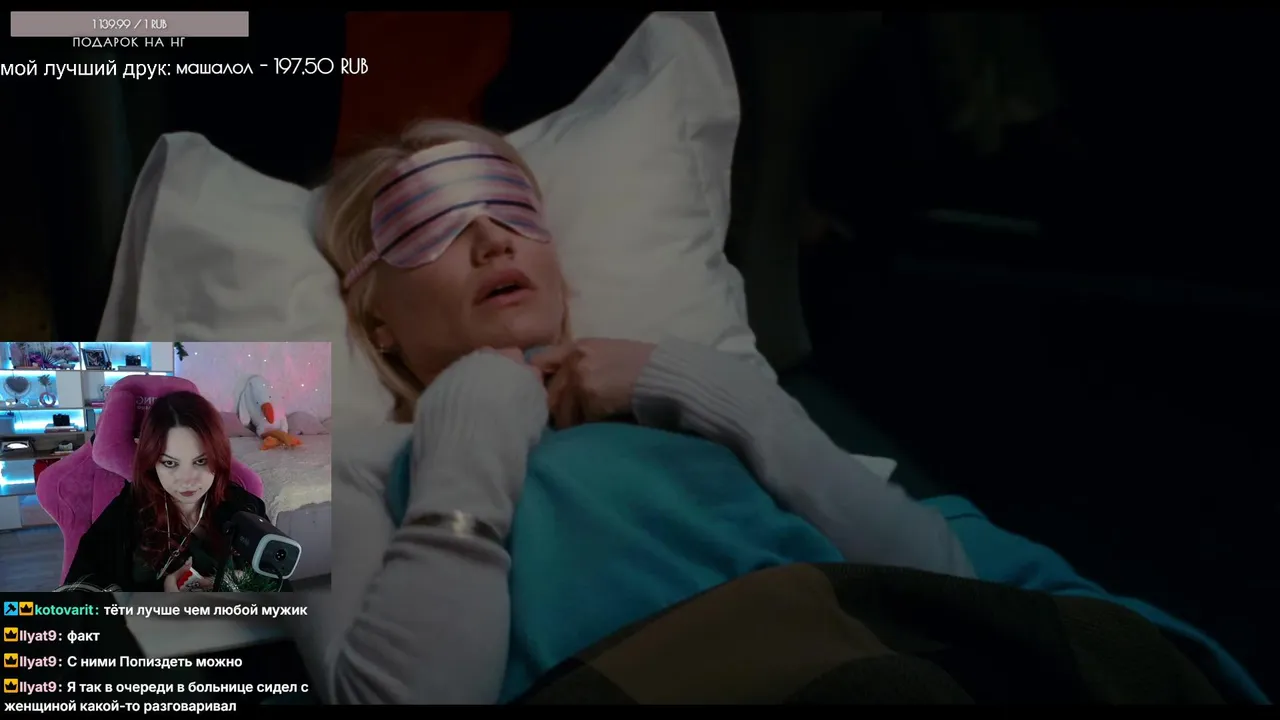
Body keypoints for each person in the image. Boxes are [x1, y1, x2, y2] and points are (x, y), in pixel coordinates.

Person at [315, 119, 976, 705]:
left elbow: (949, 591)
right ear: (376, 321)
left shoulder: (691, 405)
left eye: (511, 209)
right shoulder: (316, 457)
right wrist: (471, 431)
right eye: (425, 225)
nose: (492, 241)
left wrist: (710, 390)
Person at [61, 390, 286, 593]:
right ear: (152, 462)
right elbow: (78, 599)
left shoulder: (244, 507)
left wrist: (236, 585)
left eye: (201, 461)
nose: (187, 480)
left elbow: (281, 595)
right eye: (170, 463)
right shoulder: (126, 513)